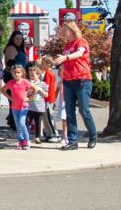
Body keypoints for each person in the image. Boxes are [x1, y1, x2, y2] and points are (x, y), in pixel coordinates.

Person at [53, 21, 98, 150]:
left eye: (65, 30)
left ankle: (93, 135)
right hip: (68, 80)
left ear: (72, 30)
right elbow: (66, 63)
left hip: (82, 80)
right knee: (69, 111)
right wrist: (61, 72)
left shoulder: (81, 42)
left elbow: (79, 53)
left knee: (84, 110)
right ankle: (72, 141)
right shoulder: (66, 45)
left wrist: (65, 57)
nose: (63, 32)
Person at [1, 30, 30, 131]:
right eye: (16, 38)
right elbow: (9, 65)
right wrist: (16, 79)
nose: (19, 40)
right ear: (12, 39)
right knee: (14, 100)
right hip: (12, 77)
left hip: (19, 77)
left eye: (20, 38)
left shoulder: (20, 48)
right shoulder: (11, 48)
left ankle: (14, 121)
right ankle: (14, 123)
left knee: (19, 100)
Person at [5, 65, 33, 149]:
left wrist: (29, 98)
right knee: (18, 125)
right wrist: (10, 98)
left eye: (18, 72)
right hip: (14, 107)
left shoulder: (25, 82)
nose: (16, 74)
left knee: (22, 123)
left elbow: (35, 89)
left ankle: (27, 140)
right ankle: (21, 141)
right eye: (15, 73)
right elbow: (3, 90)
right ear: (12, 73)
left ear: (22, 73)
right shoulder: (11, 82)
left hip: (23, 106)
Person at [26, 64, 51, 143]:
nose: (31, 77)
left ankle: (37, 137)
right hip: (30, 107)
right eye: (30, 75)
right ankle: (26, 137)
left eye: (33, 75)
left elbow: (46, 95)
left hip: (39, 107)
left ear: (38, 75)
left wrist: (40, 89)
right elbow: (26, 94)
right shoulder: (28, 83)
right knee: (27, 122)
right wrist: (29, 89)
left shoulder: (42, 84)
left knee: (38, 123)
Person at [41, 56, 61, 142]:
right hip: (49, 98)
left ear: (48, 64)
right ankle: (49, 134)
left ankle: (54, 134)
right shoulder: (50, 73)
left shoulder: (48, 73)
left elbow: (46, 86)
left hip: (48, 99)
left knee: (49, 117)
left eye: (43, 64)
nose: (42, 65)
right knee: (46, 117)